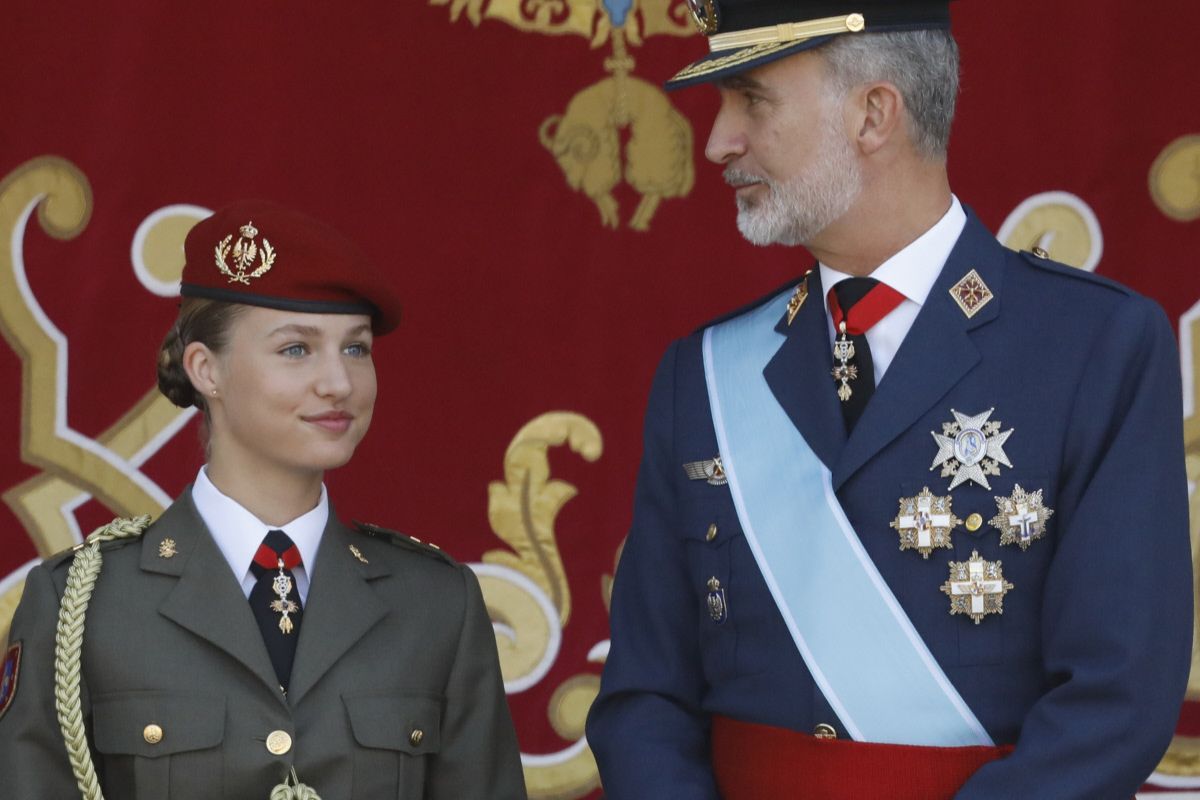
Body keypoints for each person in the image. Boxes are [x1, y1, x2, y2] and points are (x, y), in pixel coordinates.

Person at [586, 2, 1193, 798]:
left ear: (874, 113)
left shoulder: (1095, 347)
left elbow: (1114, 702)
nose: (718, 142)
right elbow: (645, 700)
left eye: (752, 99)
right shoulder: (701, 372)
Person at [0, 200, 528, 799]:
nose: (339, 382)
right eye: (296, 349)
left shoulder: (435, 603)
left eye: (356, 348)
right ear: (206, 370)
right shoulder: (82, 605)